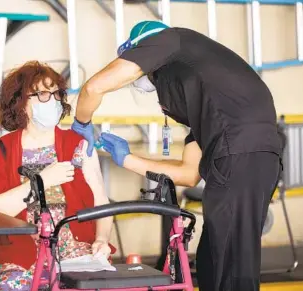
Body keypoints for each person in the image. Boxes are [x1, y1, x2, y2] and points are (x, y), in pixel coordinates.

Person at [71, 21, 282, 291]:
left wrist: (82, 122)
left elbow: (93, 87)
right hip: (250, 156)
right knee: (213, 258)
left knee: (231, 264)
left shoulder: (170, 39)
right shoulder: (202, 88)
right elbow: (189, 173)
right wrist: (127, 159)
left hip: (241, 153)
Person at [0, 61, 115, 290]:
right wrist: (42, 181)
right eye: (42, 94)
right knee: (18, 285)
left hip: (74, 249)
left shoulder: (79, 145)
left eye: (56, 93)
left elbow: (101, 202)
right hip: (18, 251)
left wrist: (101, 239)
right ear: (20, 103)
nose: (52, 100)